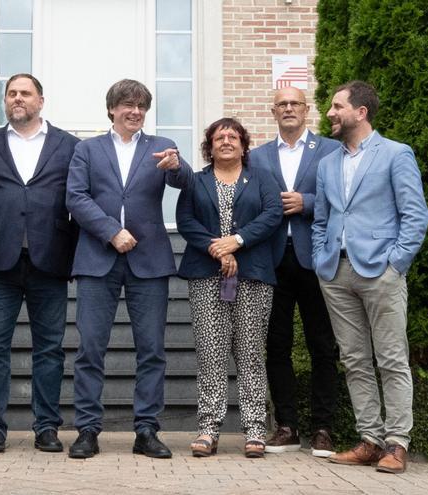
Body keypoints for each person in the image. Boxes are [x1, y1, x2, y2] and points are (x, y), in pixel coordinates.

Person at [66, 79, 192, 459]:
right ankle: (87, 429)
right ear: (112, 109)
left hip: (149, 260)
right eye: (127, 105)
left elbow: (185, 182)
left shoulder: (160, 147)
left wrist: (178, 166)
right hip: (97, 258)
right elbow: (75, 195)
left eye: (141, 106)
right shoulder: (86, 149)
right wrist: (111, 231)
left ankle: (147, 430)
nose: (135, 111)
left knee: (152, 350)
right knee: (90, 349)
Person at [313, 81, 428, 474]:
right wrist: (319, 259)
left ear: (360, 112)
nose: (330, 113)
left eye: (336, 106)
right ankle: (369, 440)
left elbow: (415, 216)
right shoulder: (327, 163)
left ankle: (397, 444)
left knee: (392, 359)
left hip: (381, 271)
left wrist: (396, 264)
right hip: (335, 272)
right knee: (355, 359)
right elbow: (322, 219)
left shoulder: (396, 154)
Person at [0, 74, 80, 454]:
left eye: (25, 93)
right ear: (5, 100)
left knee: (50, 349)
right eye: (11, 93)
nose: (18, 99)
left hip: (50, 259)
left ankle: (47, 427)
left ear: (41, 100)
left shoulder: (69, 146)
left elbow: (79, 201)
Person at [176, 118, 282, 458]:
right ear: (209, 144)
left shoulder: (262, 178)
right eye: (219, 137)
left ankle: (255, 429)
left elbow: (272, 214)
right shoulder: (196, 181)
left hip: (252, 275)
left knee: (251, 354)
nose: (226, 141)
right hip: (206, 276)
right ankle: (208, 428)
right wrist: (216, 248)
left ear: (243, 143)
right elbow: (186, 221)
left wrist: (236, 242)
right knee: (211, 353)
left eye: (232, 136)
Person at [249, 86, 341, 457]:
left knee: (322, 345)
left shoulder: (331, 151)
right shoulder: (256, 157)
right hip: (271, 260)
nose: (288, 109)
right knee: (276, 345)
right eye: (282, 104)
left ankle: (324, 428)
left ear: (306, 110)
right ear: (273, 111)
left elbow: (343, 201)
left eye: (295, 104)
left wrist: (308, 203)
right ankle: (287, 426)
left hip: (316, 258)